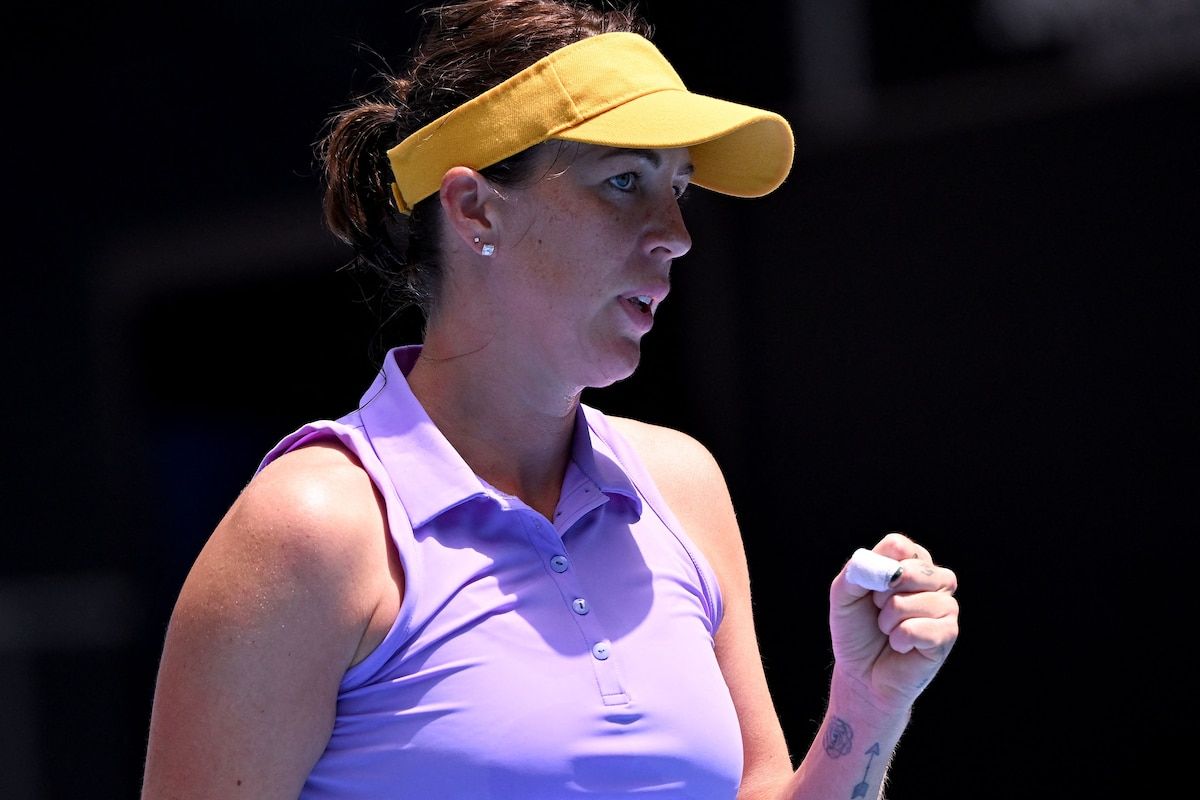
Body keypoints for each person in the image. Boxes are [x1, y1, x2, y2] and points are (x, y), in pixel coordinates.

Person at [140, 1, 960, 798]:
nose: (675, 231)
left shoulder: (683, 487)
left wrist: (868, 704)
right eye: (625, 181)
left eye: (680, 186)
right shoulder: (310, 528)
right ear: (474, 208)